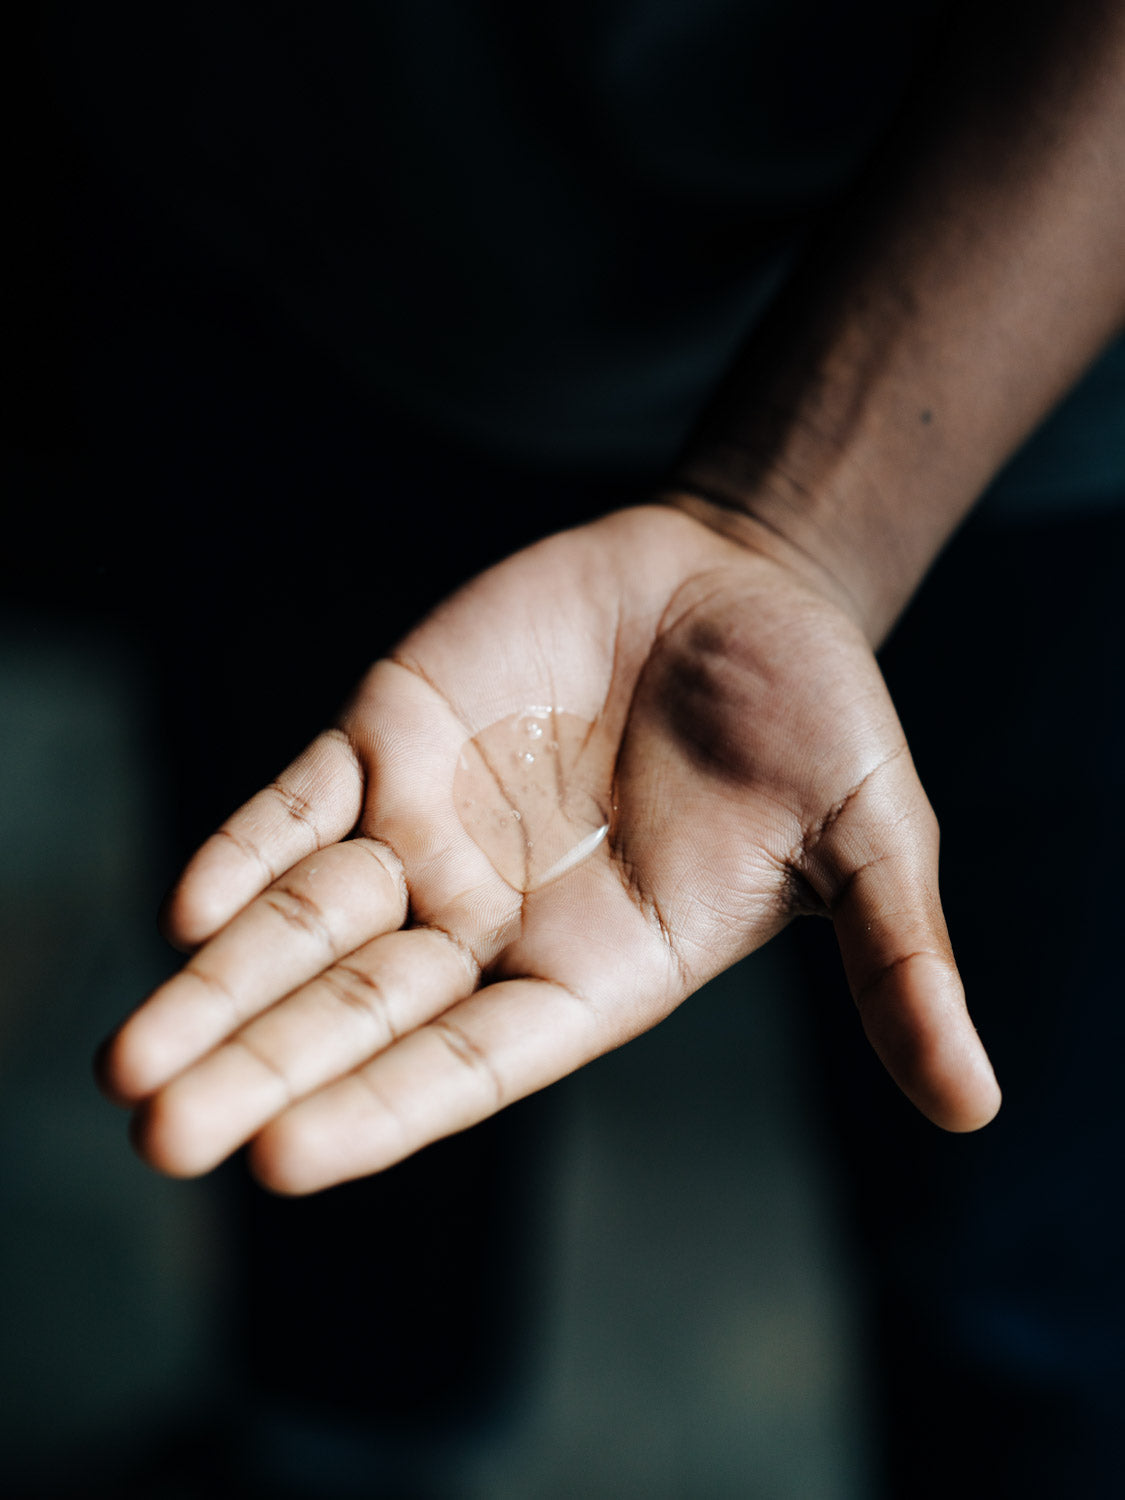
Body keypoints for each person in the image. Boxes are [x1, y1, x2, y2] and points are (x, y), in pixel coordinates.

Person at [46, 0, 1122, 1491]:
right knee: (329, 1056)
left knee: (1020, 1235)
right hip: (308, 263)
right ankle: (332, 1442)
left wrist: (792, 523)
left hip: (1012, 365)